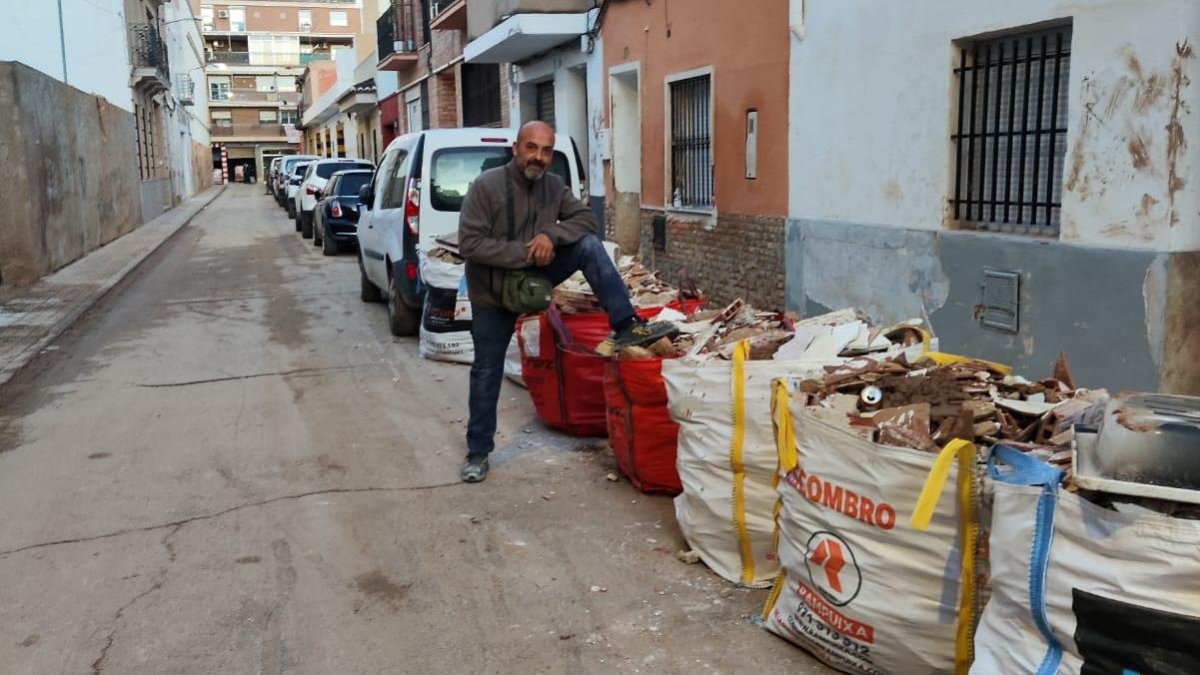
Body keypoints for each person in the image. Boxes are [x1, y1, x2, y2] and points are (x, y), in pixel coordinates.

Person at [457, 121, 677, 483]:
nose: (538, 157)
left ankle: (625, 325)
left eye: (546, 151)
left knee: (588, 247)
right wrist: (527, 253)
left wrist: (550, 234)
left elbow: (586, 220)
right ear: (516, 149)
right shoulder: (487, 186)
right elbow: (470, 244)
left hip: (536, 280)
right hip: (493, 293)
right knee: (486, 371)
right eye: (532, 148)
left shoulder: (554, 187)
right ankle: (478, 451)